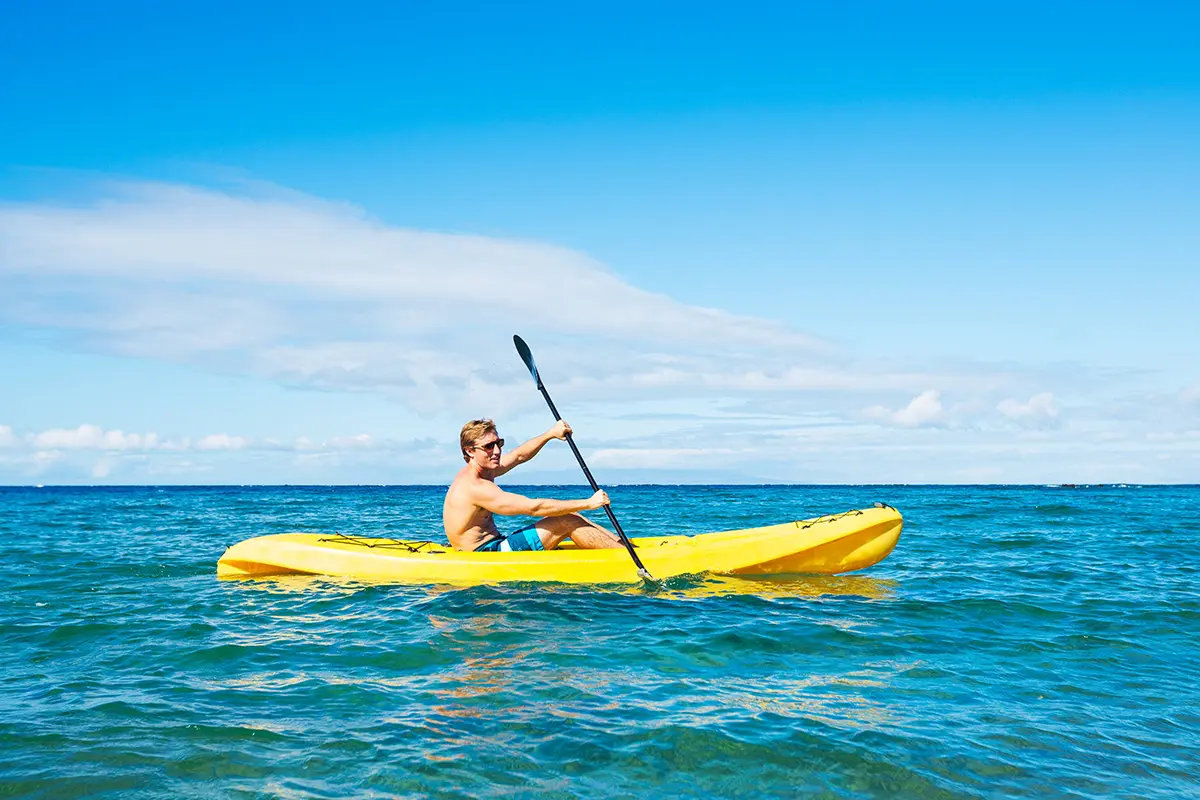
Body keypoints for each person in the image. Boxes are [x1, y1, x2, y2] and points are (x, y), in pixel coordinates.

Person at [443, 418, 623, 553]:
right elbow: (533, 507)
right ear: (469, 451)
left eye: (499, 443)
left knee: (568, 515)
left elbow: (519, 456)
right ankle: (626, 560)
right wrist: (588, 503)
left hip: (495, 543)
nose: (497, 451)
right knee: (565, 520)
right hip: (486, 553)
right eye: (489, 446)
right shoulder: (474, 486)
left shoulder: (486, 469)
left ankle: (624, 547)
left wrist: (550, 434)